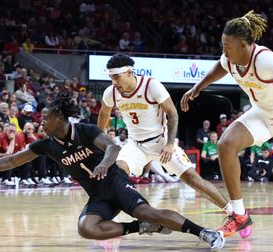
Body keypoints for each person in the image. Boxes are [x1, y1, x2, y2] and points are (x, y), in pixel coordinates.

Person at [0, 91, 225, 251]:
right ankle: (138, 228)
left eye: (46, 118)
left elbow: (112, 148)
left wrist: (104, 164)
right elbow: (11, 161)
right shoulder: (47, 145)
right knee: (86, 228)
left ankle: (203, 232)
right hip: (98, 195)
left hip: (116, 182)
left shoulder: (85, 130)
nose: (41, 121)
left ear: (60, 119)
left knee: (147, 209)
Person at [180, 10, 273, 237]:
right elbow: (220, 66)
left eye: (228, 46)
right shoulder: (229, 58)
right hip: (262, 114)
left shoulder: (266, 59)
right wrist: (198, 87)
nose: (223, 51)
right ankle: (240, 216)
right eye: (222, 45)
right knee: (225, 144)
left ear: (244, 45)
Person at [97, 53, 233, 223]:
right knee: (117, 175)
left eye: (117, 77)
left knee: (193, 179)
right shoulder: (111, 92)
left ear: (130, 73)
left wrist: (169, 144)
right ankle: (110, 220)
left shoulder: (151, 85)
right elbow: (104, 113)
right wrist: (97, 138)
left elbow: (173, 114)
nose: (114, 82)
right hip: (135, 144)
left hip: (161, 142)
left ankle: (234, 214)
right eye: (111, 78)